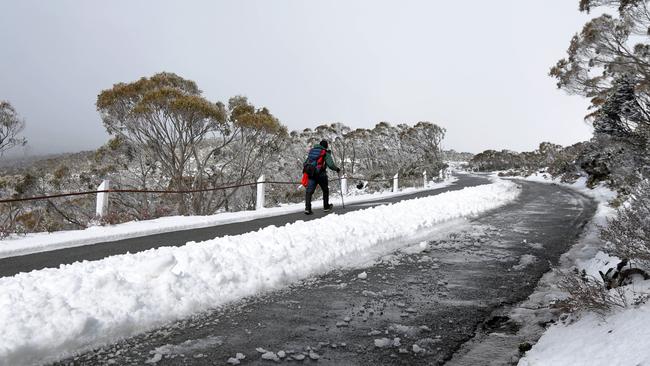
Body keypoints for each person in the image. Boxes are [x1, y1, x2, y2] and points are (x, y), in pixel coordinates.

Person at [303, 140, 340, 215]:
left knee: (309, 191)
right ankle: (326, 207)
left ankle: (307, 208)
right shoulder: (325, 153)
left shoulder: (312, 151)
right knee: (325, 190)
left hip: (311, 173)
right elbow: (330, 165)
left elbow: (306, 162)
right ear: (326, 146)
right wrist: (337, 169)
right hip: (321, 174)